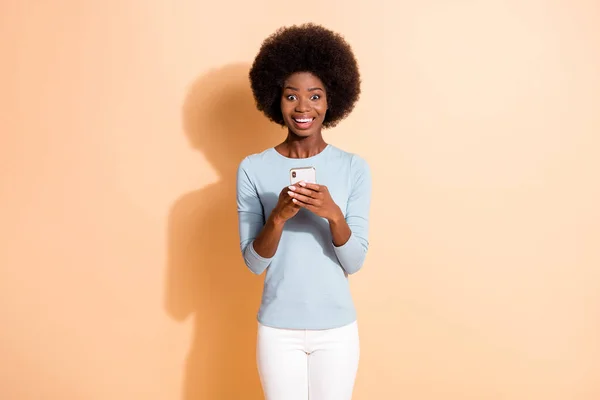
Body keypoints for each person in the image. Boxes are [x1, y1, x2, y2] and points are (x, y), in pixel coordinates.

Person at [236, 23, 372, 400]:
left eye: (315, 95)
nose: (303, 107)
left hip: (337, 330)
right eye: (291, 96)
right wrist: (277, 218)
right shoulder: (252, 168)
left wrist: (333, 215)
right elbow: (253, 263)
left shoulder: (353, 168)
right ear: (276, 100)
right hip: (278, 331)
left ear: (332, 101)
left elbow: (355, 260)